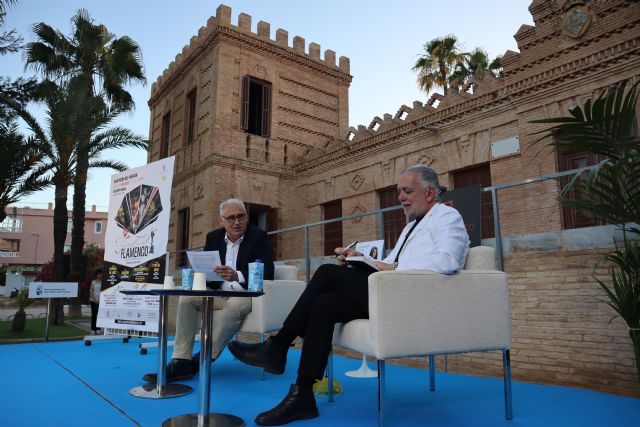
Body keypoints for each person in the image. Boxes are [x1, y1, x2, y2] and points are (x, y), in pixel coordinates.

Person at [228, 164, 469, 426]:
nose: (400, 197)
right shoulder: (411, 226)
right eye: (399, 191)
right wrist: (360, 259)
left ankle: (278, 346)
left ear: (431, 193)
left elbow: (447, 262)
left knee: (326, 274)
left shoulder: (447, 216)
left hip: (409, 300)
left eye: (407, 191)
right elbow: (388, 262)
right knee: (324, 304)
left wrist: (393, 267)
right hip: (388, 292)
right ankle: (303, 395)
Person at [143, 198, 274, 383]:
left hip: (245, 294)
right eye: (231, 218)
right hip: (218, 292)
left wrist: (237, 276)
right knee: (187, 300)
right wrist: (202, 274)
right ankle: (180, 361)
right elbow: (206, 270)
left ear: (246, 217)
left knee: (234, 307)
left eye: (241, 217)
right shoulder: (213, 237)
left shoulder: (258, 236)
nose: (236, 222)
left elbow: (269, 272)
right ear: (221, 220)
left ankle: (203, 358)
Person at [89, 269, 103, 335]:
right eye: (98, 274)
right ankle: (93, 329)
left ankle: (98, 329)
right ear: (96, 275)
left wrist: (101, 300)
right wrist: (94, 300)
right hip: (93, 301)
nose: (100, 275)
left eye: (101, 274)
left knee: (99, 315)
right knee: (94, 315)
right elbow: (91, 291)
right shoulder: (93, 282)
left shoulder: (104, 282)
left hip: (101, 301)